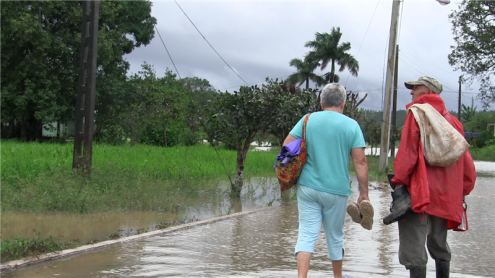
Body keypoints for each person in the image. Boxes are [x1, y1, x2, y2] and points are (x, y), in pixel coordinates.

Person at [382, 76, 477, 278]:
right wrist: (461, 191)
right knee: (439, 244)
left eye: (415, 88)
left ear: (427, 90)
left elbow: (407, 155)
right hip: (446, 196)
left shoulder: (416, 114)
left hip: (419, 193)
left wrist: (399, 183)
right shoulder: (454, 122)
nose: (411, 92)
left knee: (414, 246)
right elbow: (467, 165)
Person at [283, 83, 370, 278]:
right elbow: (361, 162)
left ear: (321, 102)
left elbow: (287, 145)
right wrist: (364, 193)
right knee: (335, 235)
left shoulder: (307, 120)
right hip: (336, 191)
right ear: (343, 103)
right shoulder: (351, 125)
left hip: (307, 187)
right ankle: (338, 277)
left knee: (306, 234)